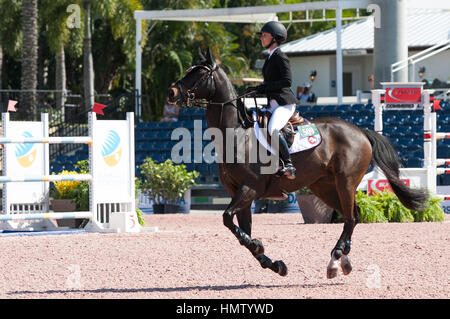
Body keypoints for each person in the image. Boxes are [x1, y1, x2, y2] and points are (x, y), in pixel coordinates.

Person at [245, 21, 298, 179]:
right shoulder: (270, 56)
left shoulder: (280, 56)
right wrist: (256, 89)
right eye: (262, 35)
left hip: (284, 104)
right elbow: (270, 84)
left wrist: (263, 87)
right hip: (273, 103)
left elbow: (287, 82)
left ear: (274, 38)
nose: (262, 38)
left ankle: (288, 164)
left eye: (265, 35)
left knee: (272, 129)